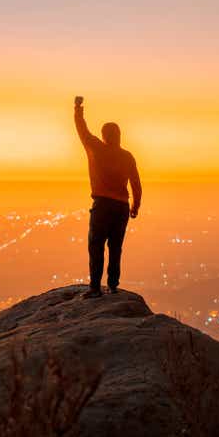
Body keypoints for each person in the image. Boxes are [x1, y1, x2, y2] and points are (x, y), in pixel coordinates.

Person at [74, 96, 142, 295]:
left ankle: (95, 288)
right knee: (115, 247)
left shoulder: (96, 148)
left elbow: (82, 129)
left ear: (104, 136)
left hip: (102, 206)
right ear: (119, 136)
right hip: (121, 208)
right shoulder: (127, 156)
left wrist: (78, 109)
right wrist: (135, 207)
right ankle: (112, 285)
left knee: (96, 246)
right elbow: (136, 184)